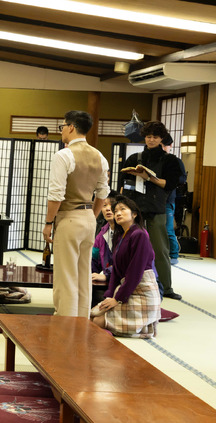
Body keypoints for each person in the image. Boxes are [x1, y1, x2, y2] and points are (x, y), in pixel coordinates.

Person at [43, 110, 110, 318]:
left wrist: (48, 223)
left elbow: (56, 195)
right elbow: (103, 193)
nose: (61, 130)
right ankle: (81, 321)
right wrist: (92, 216)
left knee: (65, 276)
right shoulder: (100, 156)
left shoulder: (64, 155)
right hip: (89, 218)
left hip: (68, 217)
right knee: (83, 274)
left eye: (62, 126)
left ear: (71, 127)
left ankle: (65, 323)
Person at [120, 121, 182, 300]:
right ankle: (124, 281)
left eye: (155, 137)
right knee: (127, 246)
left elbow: (169, 185)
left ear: (162, 138)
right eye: (148, 136)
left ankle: (166, 287)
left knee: (160, 248)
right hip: (134, 207)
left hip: (157, 208)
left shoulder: (170, 161)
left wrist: (148, 177)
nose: (151, 140)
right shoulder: (135, 158)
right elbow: (123, 182)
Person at [91, 196, 161, 338]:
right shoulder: (119, 236)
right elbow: (116, 271)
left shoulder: (139, 235)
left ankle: (145, 326)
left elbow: (135, 272)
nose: (118, 213)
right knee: (92, 315)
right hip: (126, 290)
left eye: (122, 209)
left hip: (141, 292)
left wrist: (117, 299)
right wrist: (109, 295)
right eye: (116, 211)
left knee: (97, 321)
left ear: (134, 214)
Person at [161, 134, 186, 266]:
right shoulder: (154, 160)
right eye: (161, 145)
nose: (163, 148)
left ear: (170, 145)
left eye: (165, 145)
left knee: (168, 229)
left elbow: (182, 179)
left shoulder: (175, 161)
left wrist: (169, 179)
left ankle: (174, 254)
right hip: (153, 199)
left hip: (168, 199)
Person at [91, 192, 117, 307]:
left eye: (112, 205)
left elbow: (129, 265)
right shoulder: (102, 234)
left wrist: (107, 275)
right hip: (111, 281)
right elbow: (94, 259)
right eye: (104, 205)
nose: (108, 209)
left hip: (132, 284)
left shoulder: (134, 233)